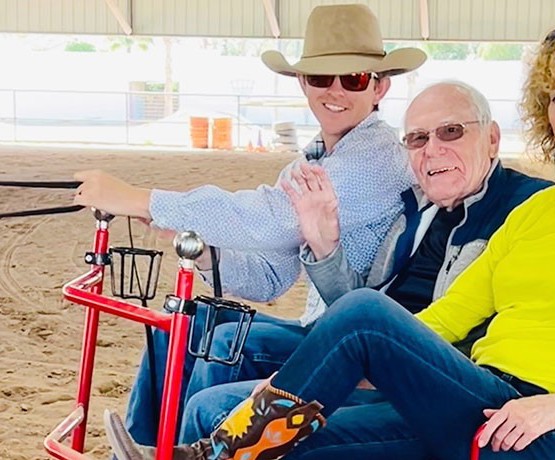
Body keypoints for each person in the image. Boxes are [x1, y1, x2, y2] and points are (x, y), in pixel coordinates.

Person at [106, 19, 555, 460]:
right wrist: (313, 378)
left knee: (364, 312)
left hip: (548, 431)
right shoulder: (541, 214)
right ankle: (203, 450)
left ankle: (208, 455)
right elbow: (445, 319)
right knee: (270, 394)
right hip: (476, 397)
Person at [74, 3, 426, 447]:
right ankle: (148, 448)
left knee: (226, 341)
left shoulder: (374, 158)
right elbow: (272, 278)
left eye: (353, 78)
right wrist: (205, 252)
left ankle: (193, 451)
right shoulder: (311, 162)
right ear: (303, 83)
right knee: (183, 320)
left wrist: (141, 199)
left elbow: (268, 219)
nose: (335, 91)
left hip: (354, 340)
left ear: (379, 87)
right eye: (320, 78)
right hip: (320, 325)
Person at [176, 81, 553, 455]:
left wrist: (295, 384)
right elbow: (360, 307)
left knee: (213, 406)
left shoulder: (529, 210)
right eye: (418, 139)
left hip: (425, 379)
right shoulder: (414, 207)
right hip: (366, 350)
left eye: (451, 132)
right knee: (206, 332)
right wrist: (325, 246)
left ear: (492, 138)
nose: (432, 151)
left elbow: (494, 344)